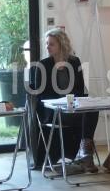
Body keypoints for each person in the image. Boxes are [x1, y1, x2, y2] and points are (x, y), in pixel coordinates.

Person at [27, 27, 99, 173]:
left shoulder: (74, 62)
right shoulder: (42, 65)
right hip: (52, 110)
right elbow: (41, 96)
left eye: (51, 44)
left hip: (72, 106)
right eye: (47, 43)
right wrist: (62, 101)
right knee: (83, 114)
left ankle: (85, 151)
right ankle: (85, 155)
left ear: (62, 45)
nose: (48, 47)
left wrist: (79, 101)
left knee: (92, 109)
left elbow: (80, 89)